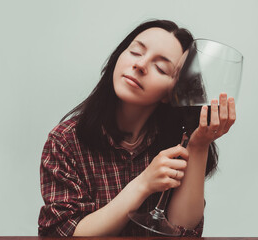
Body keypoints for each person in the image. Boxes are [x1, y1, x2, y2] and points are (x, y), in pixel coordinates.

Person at [38, 19, 236, 237]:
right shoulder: (65, 142)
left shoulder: (178, 143)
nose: (140, 65)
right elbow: (62, 233)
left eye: (160, 67)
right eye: (135, 52)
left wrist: (200, 144)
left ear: (172, 93)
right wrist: (143, 183)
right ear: (118, 57)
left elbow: (183, 232)